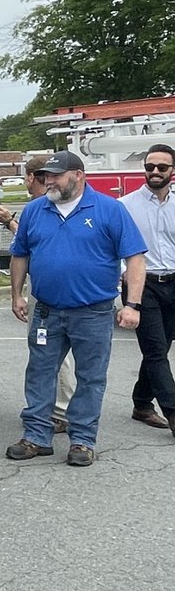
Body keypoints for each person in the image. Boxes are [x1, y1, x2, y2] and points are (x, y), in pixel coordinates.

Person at [7, 151, 147, 467]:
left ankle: (82, 441)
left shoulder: (110, 210)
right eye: (45, 176)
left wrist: (132, 305)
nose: (49, 181)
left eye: (56, 175)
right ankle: (36, 437)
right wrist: (16, 295)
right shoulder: (34, 210)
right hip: (46, 311)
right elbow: (20, 255)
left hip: (93, 312)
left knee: (90, 377)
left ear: (79, 175)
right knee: (40, 373)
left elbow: (136, 259)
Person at [0, 155, 75, 433]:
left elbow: (39, 245)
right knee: (42, 354)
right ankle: (46, 410)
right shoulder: (36, 208)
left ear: (30, 178)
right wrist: (17, 293)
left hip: (62, 296)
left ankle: (61, 411)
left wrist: (8, 221)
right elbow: (23, 248)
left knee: (57, 355)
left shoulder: (58, 206)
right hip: (41, 290)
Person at [119, 143, 175, 434]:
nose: (154, 172)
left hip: (173, 283)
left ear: (172, 171)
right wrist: (124, 274)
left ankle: (141, 402)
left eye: (161, 167)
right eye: (149, 167)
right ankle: (173, 413)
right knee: (155, 351)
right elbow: (112, 246)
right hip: (143, 286)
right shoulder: (126, 205)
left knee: (161, 347)